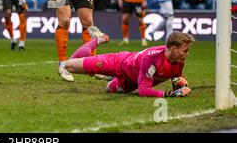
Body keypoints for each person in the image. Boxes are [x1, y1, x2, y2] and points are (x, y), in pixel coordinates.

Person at [65, 27, 193, 98]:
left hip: (132, 81)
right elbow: (144, 90)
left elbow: (176, 79)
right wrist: (168, 94)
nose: (187, 54)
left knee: (109, 88)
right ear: (174, 49)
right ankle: (97, 40)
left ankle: (107, 77)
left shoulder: (179, 60)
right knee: (69, 65)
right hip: (118, 62)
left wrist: (181, 87)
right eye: (185, 50)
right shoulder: (152, 59)